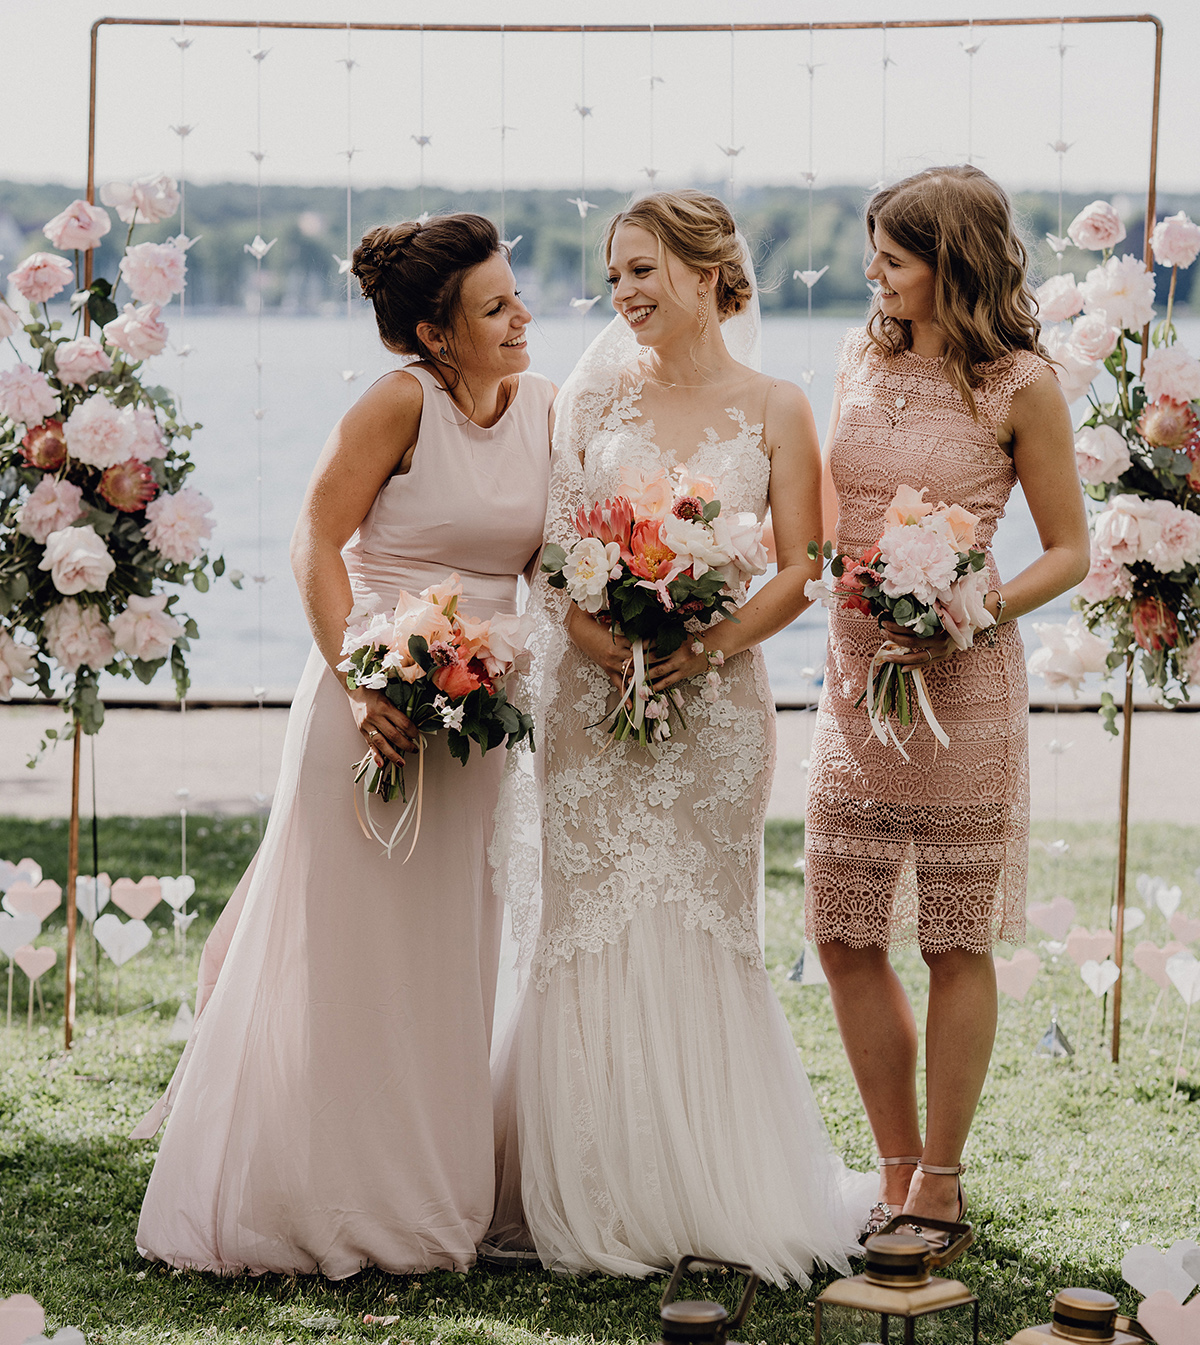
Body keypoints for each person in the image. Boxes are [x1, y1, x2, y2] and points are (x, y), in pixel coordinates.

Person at [135, 214, 555, 1277]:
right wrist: (363, 675)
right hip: (369, 707)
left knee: (448, 962)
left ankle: (434, 1201)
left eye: (517, 295)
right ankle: (325, 1199)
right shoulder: (398, 402)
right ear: (436, 331)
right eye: (496, 305)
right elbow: (313, 539)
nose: (522, 315)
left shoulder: (545, 406)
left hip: (479, 726)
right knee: (354, 961)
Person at [489, 189, 873, 1284]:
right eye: (616, 274)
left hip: (714, 702)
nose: (626, 293)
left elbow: (807, 562)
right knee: (590, 918)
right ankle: (596, 1184)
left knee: (704, 922)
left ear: (712, 273)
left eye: (646, 269)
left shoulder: (777, 406)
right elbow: (556, 548)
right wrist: (594, 633)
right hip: (590, 693)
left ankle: (712, 1181)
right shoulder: (590, 397)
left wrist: (701, 648)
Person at [805, 166, 1090, 1237]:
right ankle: (888, 1164)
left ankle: (941, 1177)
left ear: (953, 263)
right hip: (851, 674)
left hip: (962, 678)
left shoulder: (1022, 383)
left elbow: (1070, 549)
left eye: (894, 256)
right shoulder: (855, 354)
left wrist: (971, 607)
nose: (872, 273)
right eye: (873, 252)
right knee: (841, 930)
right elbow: (834, 512)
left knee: (953, 936)